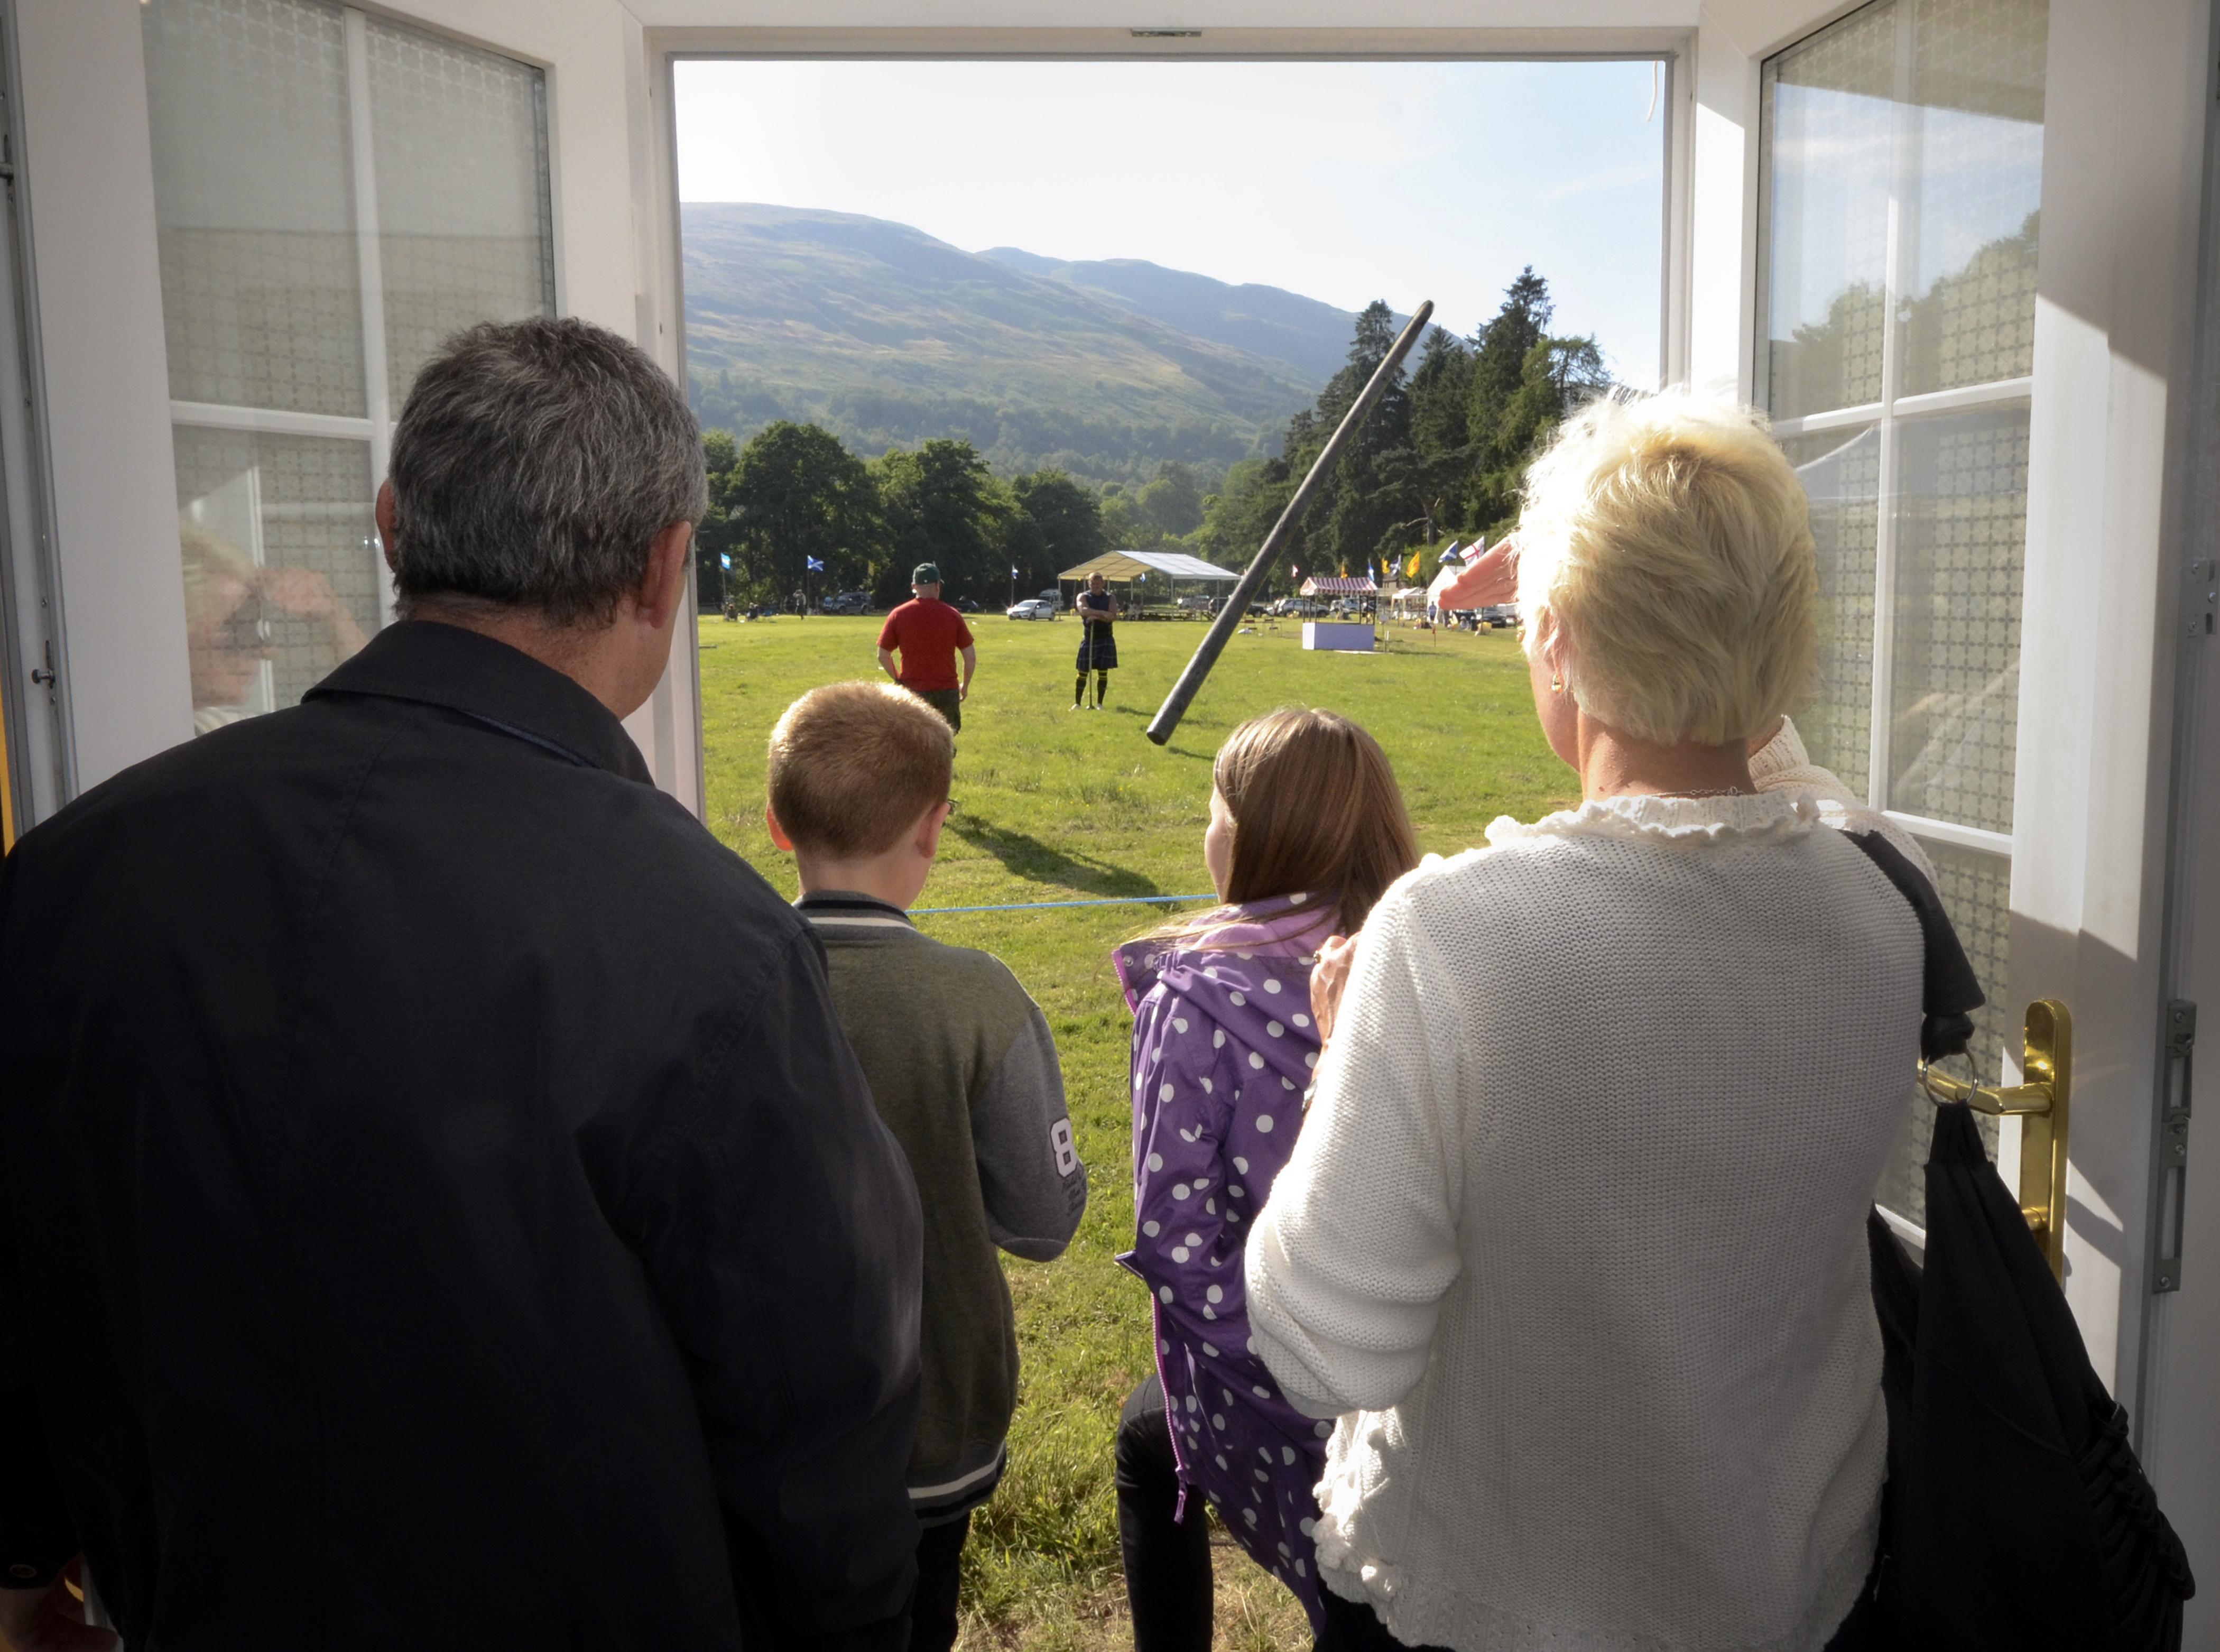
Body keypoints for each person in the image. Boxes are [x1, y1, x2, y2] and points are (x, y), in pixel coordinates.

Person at [0, 317, 923, 1652]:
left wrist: (29, 1563)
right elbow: (824, 1414)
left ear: (392, 528)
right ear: (665, 569)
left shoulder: (72, 874)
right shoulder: (708, 943)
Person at [1246, 390, 1937, 1652]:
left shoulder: (1453, 937)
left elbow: (1321, 1348)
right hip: (1798, 1594)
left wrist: (1344, 1052)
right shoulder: (1887, 909)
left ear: (1553, 636)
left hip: (1496, 1605)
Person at [763, 680, 1088, 1652]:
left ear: (779, 828)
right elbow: (1043, 1220)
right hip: (930, 1412)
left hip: (752, 1415)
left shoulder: (716, 970)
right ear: (934, 829)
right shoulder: (978, 998)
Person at [1109, 707, 1419, 1649]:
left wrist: (1283, 1372)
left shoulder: (1195, 1001)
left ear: (1247, 837)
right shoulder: (1420, 960)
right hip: (1417, 1363)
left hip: (1278, 1376)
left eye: (1213, 809)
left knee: (1145, 1442)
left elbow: (1176, 1243)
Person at [179, 521, 368, 734]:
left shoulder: (213, 731)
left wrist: (335, 617)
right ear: (180, 631)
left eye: (253, 626)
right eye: (237, 627)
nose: (267, 650)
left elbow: (375, 720)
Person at [877, 563, 975, 733]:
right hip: (947, 690)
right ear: (938, 585)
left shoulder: (898, 615)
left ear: (914, 587)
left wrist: (898, 679)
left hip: (914, 691)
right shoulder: (952, 615)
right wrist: (965, 685)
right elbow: (970, 656)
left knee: (914, 744)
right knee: (945, 743)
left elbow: (883, 655)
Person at [1074, 573, 1118, 710]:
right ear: (1089, 584)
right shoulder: (1083, 596)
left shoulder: (1110, 597)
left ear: (1103, 584)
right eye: (1093, 584)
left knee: (1103, 672)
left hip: (1105, 638)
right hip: (1089, 639)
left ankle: (1099, 704)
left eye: (1098, 584)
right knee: (1083, 672)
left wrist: (1095, 616)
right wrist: (1102, 614)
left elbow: (1112, 616)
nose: (1095, 586)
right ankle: (1078, 703)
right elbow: (1084, 610)